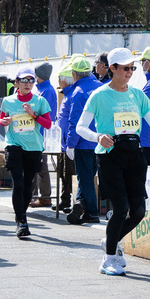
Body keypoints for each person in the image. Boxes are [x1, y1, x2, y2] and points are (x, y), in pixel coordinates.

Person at [78, 48, 150, 275]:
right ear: (112, 68)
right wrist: (98, 137)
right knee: (120, 207)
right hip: (110, 155)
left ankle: (111, 240)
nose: (130, 72)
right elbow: (81, 127)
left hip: (135, 155)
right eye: (125, 68)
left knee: (138, 211)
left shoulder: (137, 94)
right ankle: (108, 259)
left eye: (132, 68)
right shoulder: (99, 95)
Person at [0, 67, 53, 239]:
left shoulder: (40, 101)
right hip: (14, 145)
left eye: (31, 80)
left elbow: (48, 124)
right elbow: (1, 119)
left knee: (28, 184)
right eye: (24, 80)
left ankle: (21, 215)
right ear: (16, 83)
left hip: (34, 146)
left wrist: (33, 115)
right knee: (18, 183)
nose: (28, 84)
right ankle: (21, 221)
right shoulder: (8, 101)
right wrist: (4, 121)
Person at [63, 56, 101, 225]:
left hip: (84, 142)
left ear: (74, 74)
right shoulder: (100, 87)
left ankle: (91, 212)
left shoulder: (77, 93)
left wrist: (70, 144)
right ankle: (80, 203)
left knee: (85, 179)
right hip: (100, 140)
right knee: (90, 176)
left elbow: (75, 122)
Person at [29, 62, 58, 208]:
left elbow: (46, 116)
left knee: (41, 167)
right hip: (37, 132)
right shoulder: (44, 90)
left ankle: (45, 197)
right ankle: (36, 195)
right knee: (37, 166)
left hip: (41, 134)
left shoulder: (46, 91)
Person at [54, 64, 76, 213]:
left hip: (69, 142)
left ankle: (73, 202)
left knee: (70, 173)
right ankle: (65, 199)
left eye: (59, 79)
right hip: (63, 141)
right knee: (63, 172)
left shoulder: (72, 94)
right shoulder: (66, 94)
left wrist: (70, 142)